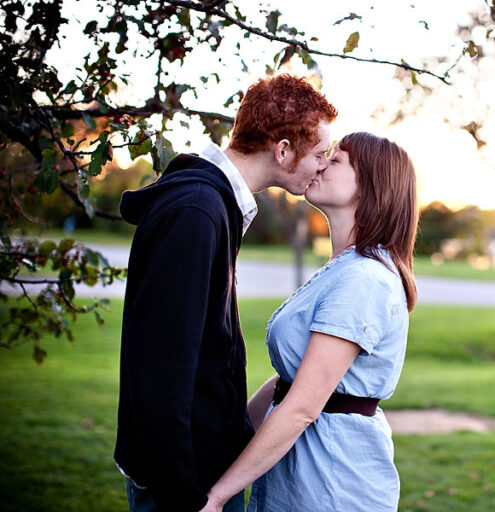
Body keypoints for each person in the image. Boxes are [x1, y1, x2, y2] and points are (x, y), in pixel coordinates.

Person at [114, 74, 337, 512]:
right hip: (185, 486)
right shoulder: (196, 211)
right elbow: (161, 370)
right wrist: (186, 495)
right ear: (284, 150)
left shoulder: (210, 204)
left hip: (202, 471)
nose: (323, 165)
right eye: (319, 153)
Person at [199, 132, 419, 512]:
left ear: (369, 187)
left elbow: (302, 406)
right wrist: (230, 442)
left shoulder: (364, 280)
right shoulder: (343, 267)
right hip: (303, 476)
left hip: (333, 483)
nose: (320, 163)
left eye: (336, 160)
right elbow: (291, 380)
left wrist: (216, 498)